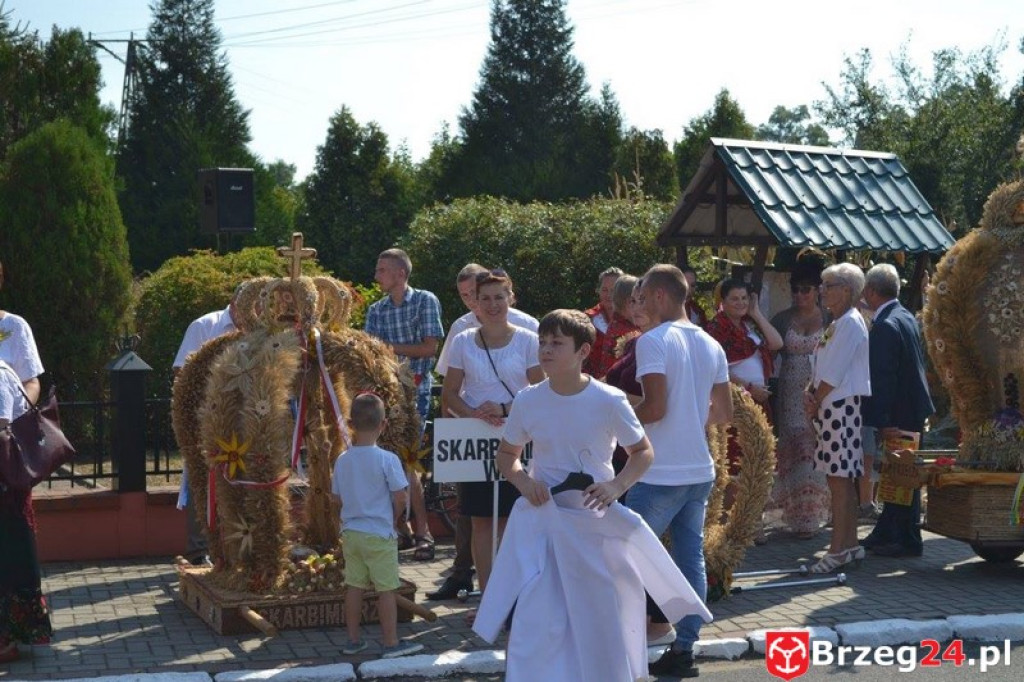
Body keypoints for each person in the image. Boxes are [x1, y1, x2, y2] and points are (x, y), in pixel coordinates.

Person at [475, 309, 711, 682]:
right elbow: (507, 456)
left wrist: (617, 486)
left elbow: (643, 451)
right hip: (546, 524)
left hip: (596, 525)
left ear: (583, 350)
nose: (546, 350)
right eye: (543, 342)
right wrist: (523, 482)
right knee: (540, 616)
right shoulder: (528, 400)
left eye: (557, 343)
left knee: (603, 614)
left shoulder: (609, 399)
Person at [629, 264, 733, 678]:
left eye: (642, 296)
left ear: (658, 296)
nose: (639, 304)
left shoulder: (652, 341)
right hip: (698, 469)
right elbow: (723, 412)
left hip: (660, 472)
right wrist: (689, 418)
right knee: (690, 557)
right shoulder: (712, 343)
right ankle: (684, 647)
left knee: (626, 557)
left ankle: (622, 640)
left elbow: (654, 408)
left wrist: (617, 416)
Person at [429, 264, 538, 601]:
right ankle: (490, 598)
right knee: (479, 521)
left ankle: (512, 596)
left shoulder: (529, 340)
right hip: (474, 440)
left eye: (499, 297)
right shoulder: (462, 340)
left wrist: (505, 410)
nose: (492, 305)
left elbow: (540, 390)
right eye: (485, 298)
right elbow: (449, 394)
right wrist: (473, 413)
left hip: (516, 441)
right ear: (474, 302)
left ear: (511, 298)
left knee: (509, 521)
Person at [364, 248, 444, 561]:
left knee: (407, 462)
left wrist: (388, 349)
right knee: (388, 462)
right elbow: (370, 355)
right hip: (385, 397)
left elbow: (428, 348)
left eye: (382, 270)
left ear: (401, 274)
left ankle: (423, 532)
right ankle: (402, 531)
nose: (376, 275)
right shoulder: (376, 309)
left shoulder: (426, 300)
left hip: (417, 395)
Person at [331, 393, 424, 659]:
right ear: (383, 424)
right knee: (386, 589)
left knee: (354, 586)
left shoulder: (342, 460)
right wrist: (394, 519)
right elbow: (400, 496)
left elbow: (335, 498)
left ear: (351, 424)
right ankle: (391, 642)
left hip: (351, 532)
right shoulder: (388, 459)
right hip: (379, 533)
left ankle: (352, 640)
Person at [860, 264, 934, 558]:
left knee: (904, 474)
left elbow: (884, 376)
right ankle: (888, 530)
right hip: (912, 408)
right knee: (896, 473)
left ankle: (907, 538)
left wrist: (882, 420)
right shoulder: (903, 316)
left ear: (871, 291)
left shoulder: (886, 325)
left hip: (901, 412)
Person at [803, 263, 871, 573]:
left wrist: (815, 400)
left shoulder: (850, 323)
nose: (822, 290)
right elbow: (822, 364)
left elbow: (834, 371)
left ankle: (837, 549)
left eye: (828, 284)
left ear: (846, 290)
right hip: (832, 405)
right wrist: (811, 392)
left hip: (839, 406)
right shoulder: (839, 321)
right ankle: (851, 545)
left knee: (839, 479)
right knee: (840, 476)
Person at [0, 261, 52, 662]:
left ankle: (13, 632)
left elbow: (31, 380)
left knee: (12, 536)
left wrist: (17, 420)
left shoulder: (13, 327)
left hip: (7, 446)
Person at [172, 285, 243, 566]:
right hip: (207, 418)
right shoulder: (205, 325)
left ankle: (237, 549)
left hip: (244, 419)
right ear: (233, 303)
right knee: (203, 481)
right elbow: (182, 371)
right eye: (245, 305)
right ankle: (198, 551)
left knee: (241, 482)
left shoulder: (260, 331)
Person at [769, 262, 831, 538]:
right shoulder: (782, 319)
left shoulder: (829, 319)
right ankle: (795, 514)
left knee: (815, 448)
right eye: (795, 290)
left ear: (817, 291)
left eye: (805, 290)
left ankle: (814, 513)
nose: (800, 296)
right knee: (793, 449)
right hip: (789, 391)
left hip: (819, 391)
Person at [705, 278, 783, 476]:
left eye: (744, 298)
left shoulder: (750, 326)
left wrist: (756, 313)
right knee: (734, 464)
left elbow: (776, 343)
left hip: (758, 400)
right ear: (723, 301)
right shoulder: (716, 329)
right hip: (734, 401)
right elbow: (715, 370)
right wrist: (748, 388)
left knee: (757, 460)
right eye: (734, 299)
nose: (741, 303)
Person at [604, 276, 649, 476]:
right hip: (624, 440)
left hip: (646, 445)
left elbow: (663, 405)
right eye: (633, 301)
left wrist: (618, 398)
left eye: (642, 301)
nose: (636, 307)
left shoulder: (659, 342)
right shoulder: (629, 339)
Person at [587, 274, 639, 380]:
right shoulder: (627, 333)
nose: (642, 307)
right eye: (639, 300)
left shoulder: (618, 325)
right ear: (629, 302)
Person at [583, 266, 623, 377]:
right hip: (592, 384)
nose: (609, 295)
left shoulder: (636, 319)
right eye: (605, 290)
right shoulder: (587, 319)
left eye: (614, 290)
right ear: (598, 290)